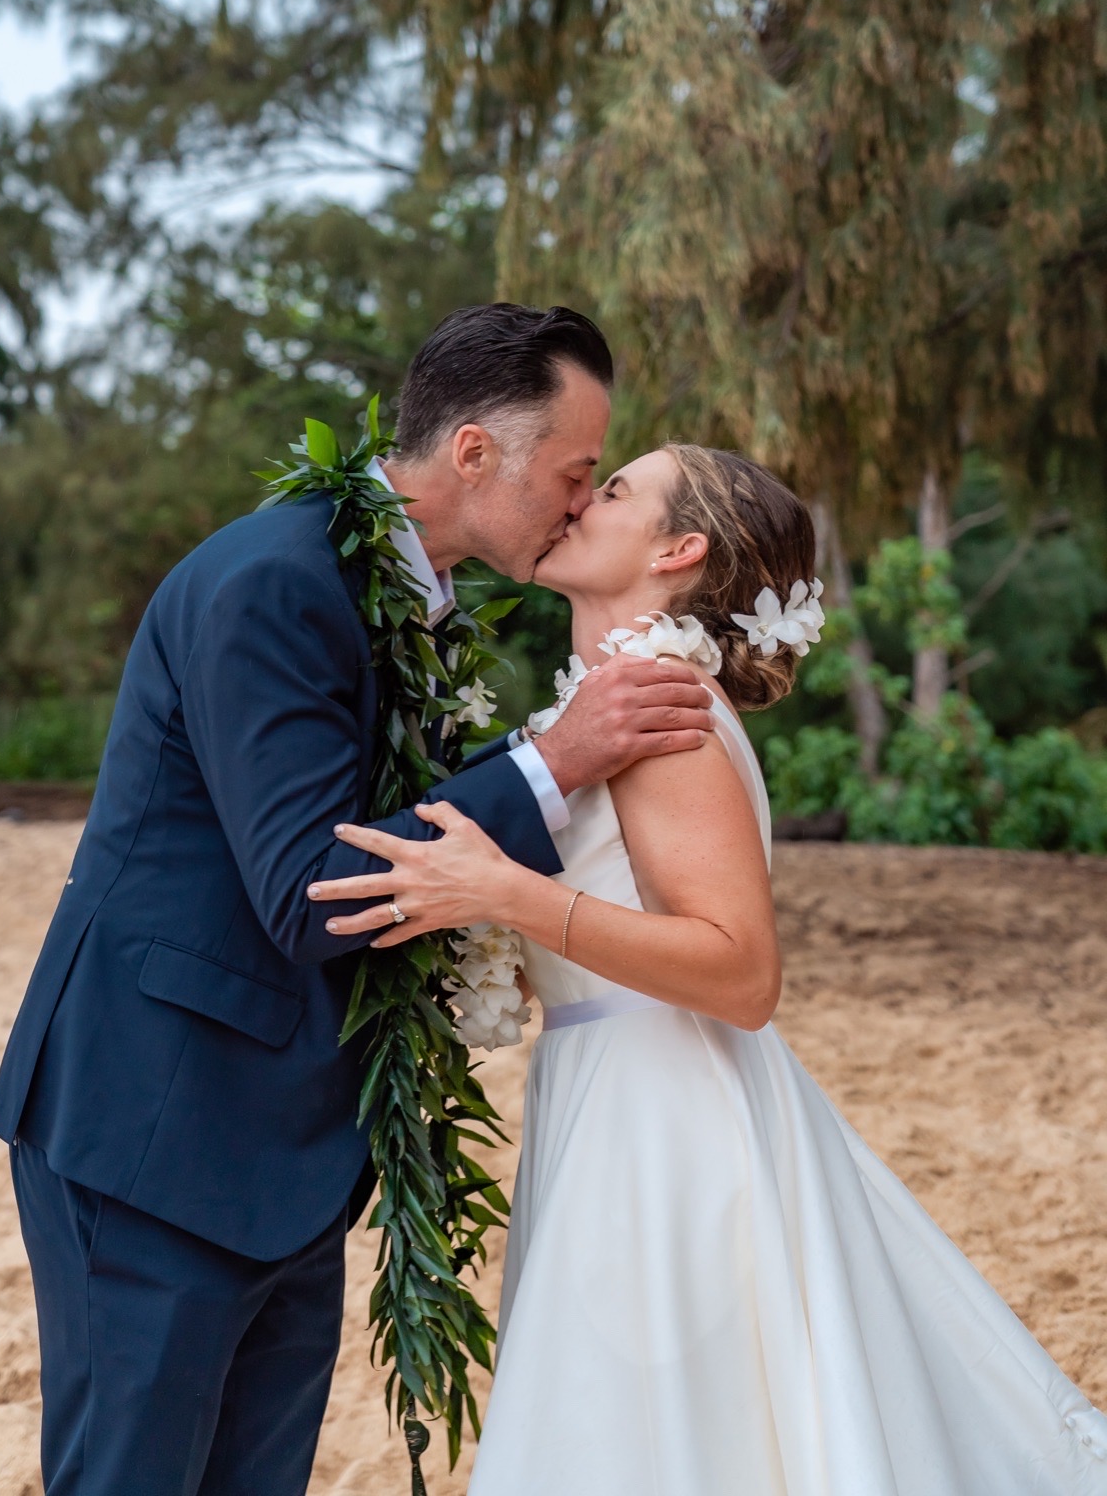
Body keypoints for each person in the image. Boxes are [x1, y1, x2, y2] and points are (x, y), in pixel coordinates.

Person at [0, 305, 719, 1496]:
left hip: (292, 1150)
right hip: (159, 1131)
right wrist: (556, 762)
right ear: (475, 452)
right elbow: (317, 893)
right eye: (575, 475)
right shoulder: (274, 585)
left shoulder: (409, 600)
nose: (582, 506)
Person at [311, 442, 1107, 1495]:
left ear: (679, 549)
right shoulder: (616, 702)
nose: (585, 501)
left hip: (666, 1120)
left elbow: (742, 973)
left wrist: (508, 896)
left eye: (619, 490)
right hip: (611, 1093)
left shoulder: (661, 711)